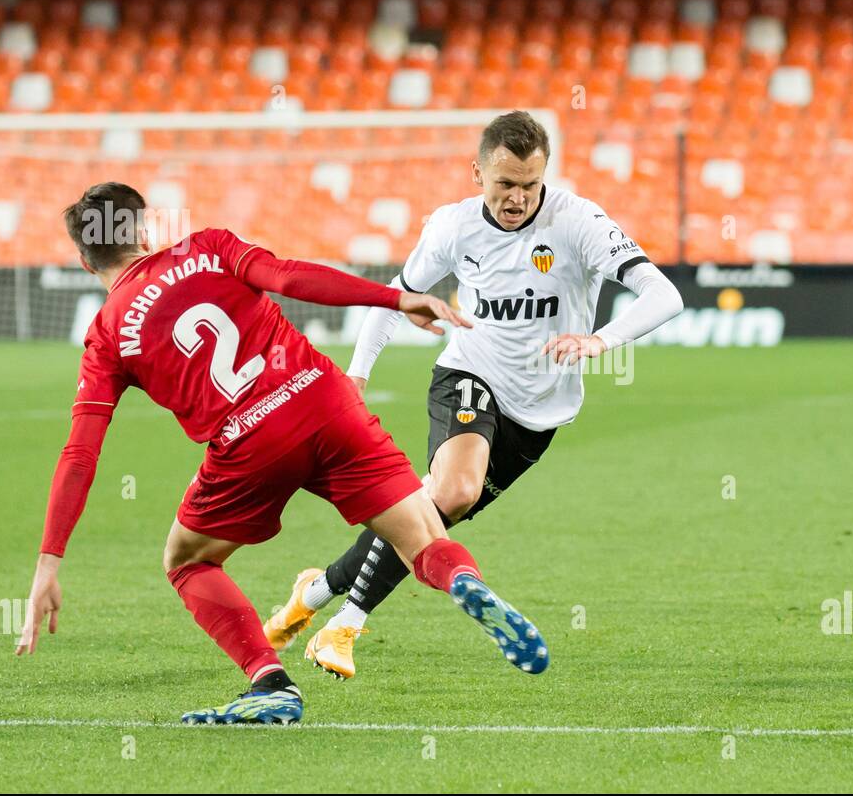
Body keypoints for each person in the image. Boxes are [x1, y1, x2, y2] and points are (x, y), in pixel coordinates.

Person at [15, 182, 551, 726]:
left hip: (250, 442)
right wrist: (394, 298)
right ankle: (463, 582)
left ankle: (270, 682)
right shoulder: (207, 246)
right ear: (144, 233)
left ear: (85, 261)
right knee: (424, 540)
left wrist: (48, 564)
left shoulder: (107, 335)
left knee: (187, 561)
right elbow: (290, 276)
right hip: (325, 399)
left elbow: (80, 454)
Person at [263, 110, 683, 678]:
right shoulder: (453, 226)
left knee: (427, 516)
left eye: (531, 184)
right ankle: (344, 627)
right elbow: (397, 297)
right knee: (453, 491)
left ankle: (314, 593)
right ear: (477, 173)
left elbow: (663, 294)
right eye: (505, 183)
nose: (518, 198)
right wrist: (358, 374)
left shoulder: (578, 221)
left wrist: (600, 340)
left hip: (539, 413)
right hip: (469, 373)